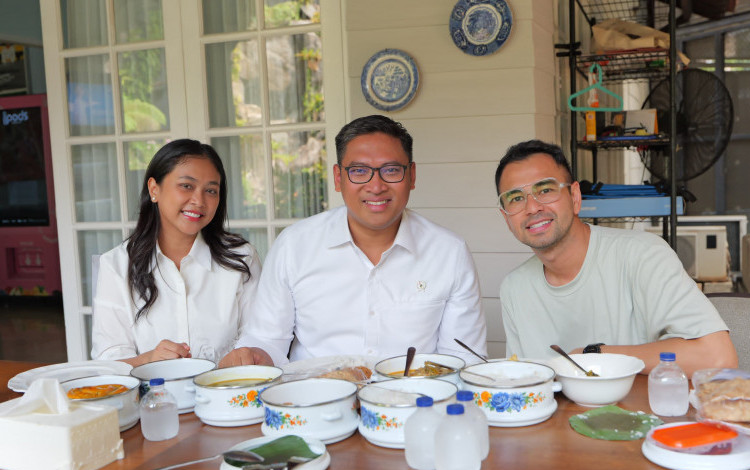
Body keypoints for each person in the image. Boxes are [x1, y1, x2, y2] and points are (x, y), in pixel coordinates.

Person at [220, 115, 487, 367]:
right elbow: (267, 339)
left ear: (412, 176)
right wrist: (251, 355)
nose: (376, 185)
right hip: (315, 404)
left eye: (391, 170)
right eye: (359, 171)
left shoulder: (449, 252)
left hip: (414, 405)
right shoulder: (294, 246)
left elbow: (462, 357)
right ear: (338, 178)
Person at [495, 139, 737, 376]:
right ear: (506, 218)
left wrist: (596, 355)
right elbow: (521, 380)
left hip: (643, 414)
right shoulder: (515, 288)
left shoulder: (643, 255)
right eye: (515, 198)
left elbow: (718, 358)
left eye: (545, 190)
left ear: (575, 197)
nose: (532, 207)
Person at [91, 139, 261, 367]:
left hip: (227, 394)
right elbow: (108, 363)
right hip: (150, 399)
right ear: (154, 189)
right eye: (186, 186)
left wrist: (239, 359)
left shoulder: (241, 258)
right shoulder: (116, 265)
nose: (199, 201)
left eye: (211, 190)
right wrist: (150, 359)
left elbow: (259, 337)